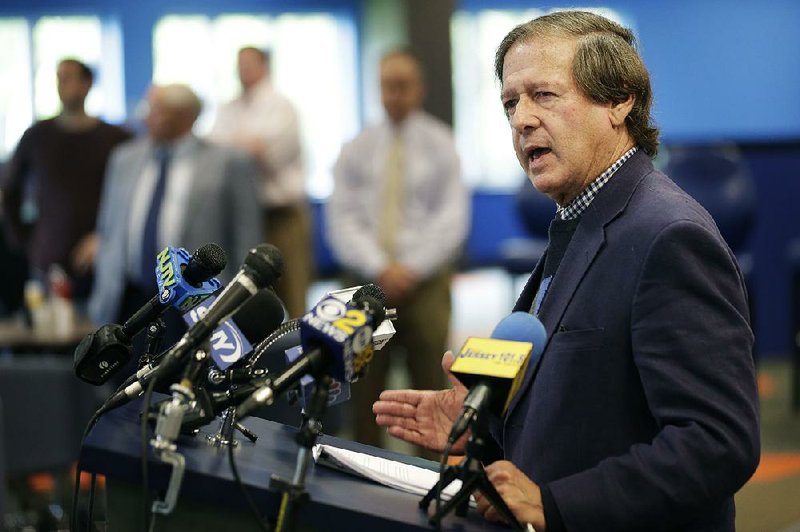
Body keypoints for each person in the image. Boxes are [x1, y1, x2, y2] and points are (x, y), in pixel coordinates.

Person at [373, 11, 759, 531]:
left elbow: (718, 442)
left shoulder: (668, 236)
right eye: (511, 102)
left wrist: (556, 503)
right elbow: (589, 399)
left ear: (619, 100)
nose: (521, 119)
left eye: (544, 96)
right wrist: (485, 421)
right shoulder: (578, 218)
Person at [328, 49, 469, 451]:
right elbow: (343, 218)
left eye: (402, 86)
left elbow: (451, 219)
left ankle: (430, 470)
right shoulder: (357, 147)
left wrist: (409, 268)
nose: (394, 95)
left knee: (429, 382)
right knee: (364, 386)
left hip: (423, 284)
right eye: (387, 86)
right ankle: (363, 469)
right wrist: (380, 267)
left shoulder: (441, 144)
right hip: (365, 284)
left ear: (419, 89)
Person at [89, 83, 262, 331]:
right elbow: (108, 228)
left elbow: (247, 237)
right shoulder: (123, 159)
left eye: (156, 110)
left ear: (185, 116)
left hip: (197, 302)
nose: (147, 117)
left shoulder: (229, 163)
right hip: (129, 298)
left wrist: (239, 299)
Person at [1, 58, 132, 304]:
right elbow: (11, 191)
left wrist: (105, 238)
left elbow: (131, 198)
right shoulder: (37, 136)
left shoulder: (116, 139)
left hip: (102, 259)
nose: (63, 85)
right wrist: (25, 241)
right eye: (59, 79)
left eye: (69, 78)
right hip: (48, 260)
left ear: (87, 83)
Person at [209, 46, 311, 319]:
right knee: (245, 295)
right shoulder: (228, 107)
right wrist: (245, 144)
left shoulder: (281, 105)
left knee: (292, 293)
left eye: (249, 63)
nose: (242, 70)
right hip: (240, 217)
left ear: (265, 66)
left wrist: (238, 145)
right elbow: (213, 152)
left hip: (280, 217)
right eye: (239, 64)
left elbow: (260, 152)